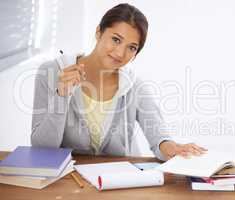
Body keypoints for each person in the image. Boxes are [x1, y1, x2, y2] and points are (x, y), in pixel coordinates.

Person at [31, 3, 207, 160]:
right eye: (116, 40)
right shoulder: (51, 73)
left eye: (131, 47)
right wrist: (62, 96)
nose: (121, 54)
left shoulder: (134, 85)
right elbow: (42, 149)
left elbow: (158, 136)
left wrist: (171, 147)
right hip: (69, 182)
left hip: (119, 182)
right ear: (99, 32)